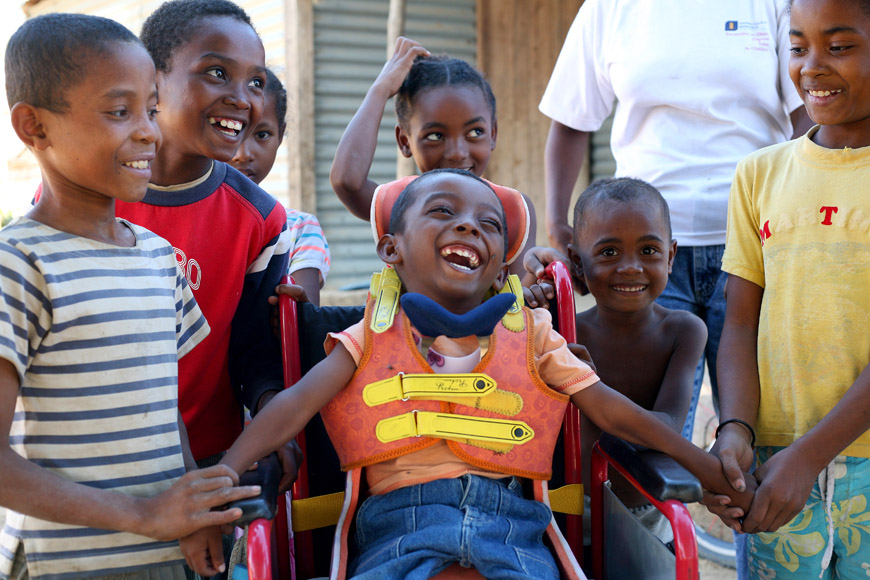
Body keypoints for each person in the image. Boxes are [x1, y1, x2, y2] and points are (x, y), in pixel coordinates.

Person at [215, 169, 753, 578]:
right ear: (390, 249)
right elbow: (292, 406)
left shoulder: (536, 333)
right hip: (398, 522)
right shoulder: (369, 334)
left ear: (501, 266)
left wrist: (703, 467)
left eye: (489, 223)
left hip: (513, 522)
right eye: (442, 211)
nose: (468, 224)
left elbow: (615, 411)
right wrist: (226, 472)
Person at [0, 14, 259, 580]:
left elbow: (164, 414)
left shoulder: (158, 257)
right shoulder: (19, 264)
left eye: (150, 108)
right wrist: (144, 514)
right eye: (120, 112)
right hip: (65, 565)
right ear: (33, 126)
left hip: (164, 557)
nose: (149, 132)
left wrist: (189, 516)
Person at [538, 0, 812, 444]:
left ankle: (753, 514)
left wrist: (794, 214)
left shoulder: (773, 4)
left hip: (755, 247)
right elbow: (571, 120)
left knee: (761, 439)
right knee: (648, 447)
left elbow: (806, 112)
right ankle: (656, 517)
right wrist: (558, 223)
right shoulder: (609, 8)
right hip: (643, 254)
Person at [706, 0, 870, 577]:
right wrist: (735, 432)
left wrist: (809, 458)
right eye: (798, 47)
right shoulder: (759, 174)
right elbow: (741, 323)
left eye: (840, 47)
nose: (812, 66)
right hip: (774, 467)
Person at [112, 0, 296, 482]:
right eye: (217, 72)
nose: (243, 97)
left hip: (210, 464)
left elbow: (251, 349)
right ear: (152, 79)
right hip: (97, 458)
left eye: (255, 81)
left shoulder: (260, 220)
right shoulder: (89, 194)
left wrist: (274, 423)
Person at [524, 177, 707, 545]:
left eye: (649, 251)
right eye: (609, 252)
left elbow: (668, 429)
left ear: (671, 257)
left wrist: (591, 391)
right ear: (577, 261)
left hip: (645, 512)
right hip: (566, 508)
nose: (630, 267)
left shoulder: (684, 331)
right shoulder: (561, 333)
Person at [329, 37, 536, 277]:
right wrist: (380, 89)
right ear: (405, 141)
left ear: (493, 133)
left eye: (475, 132)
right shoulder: (402, 204)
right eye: (436, 136)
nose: (457, 153)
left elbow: (522, 302)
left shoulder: (511, 208)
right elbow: (347, 181)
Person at [230, 68, 330, 305]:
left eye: (262, 134)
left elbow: (301, 326)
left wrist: (297, 312)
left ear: (281, 134)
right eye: (233, 130)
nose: (243, 155)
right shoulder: (188, 217)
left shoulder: (298, 230)